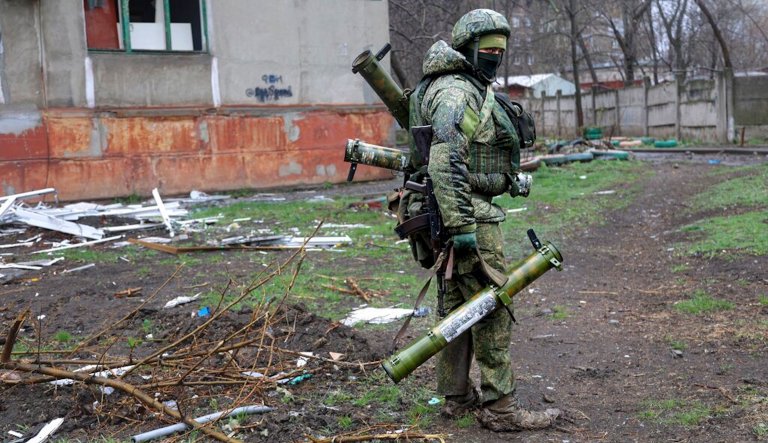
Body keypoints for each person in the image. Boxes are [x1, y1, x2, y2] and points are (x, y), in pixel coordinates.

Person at [407, 9, 560, 432]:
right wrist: (462, 228)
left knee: (458, 307)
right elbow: (445, 157)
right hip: (467, 216)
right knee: (491, 306)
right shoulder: (458, 91)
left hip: (450, 211)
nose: (495, 57)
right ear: (467, 47)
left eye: (500, 51)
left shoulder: (450, 84)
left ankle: (455, 398)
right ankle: (501, 408)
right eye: (488, 50)